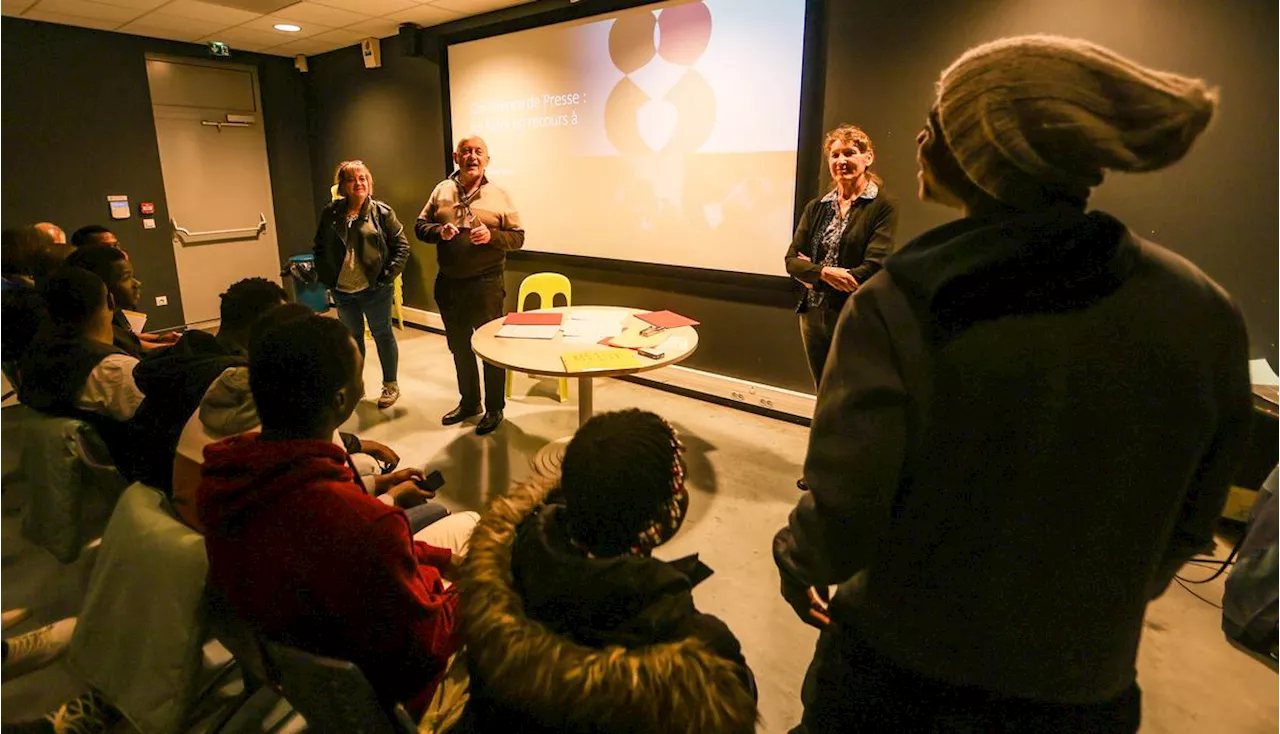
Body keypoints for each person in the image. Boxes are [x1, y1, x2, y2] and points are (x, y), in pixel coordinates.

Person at [773, 36, 1252, 734]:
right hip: (1086, 686)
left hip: (896, 679)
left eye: (936, 123)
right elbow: (1193, 517)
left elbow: (842, 523)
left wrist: (796, 559)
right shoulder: (1204, 309)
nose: (918, 137)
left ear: (984, 149)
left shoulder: (901, 301)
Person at [197, 314, 473, 717]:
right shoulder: (364, 523)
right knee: (494, 558)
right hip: (396, 694)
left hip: (306, 665)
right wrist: (481, 582)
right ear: (342, 399)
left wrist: (446, 561)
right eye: (361, 371)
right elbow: (428, 645)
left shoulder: (226, 479)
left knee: (464, 527)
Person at [455, 409, 756, 733]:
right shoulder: (703, 656)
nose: (682, 495)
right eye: (678, 486)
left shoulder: (502, 569)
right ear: (665, 520)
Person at [169, 303, 437, 532]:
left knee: (365, 466)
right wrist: (393, 497)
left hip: (220, 541)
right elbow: (349, 522)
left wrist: (382, 483)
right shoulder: (301, 462)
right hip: (343, 553)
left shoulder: (243, 440)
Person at [129, 277, 287, 492]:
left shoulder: (182, 356)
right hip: (197, 490)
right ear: (261, 326)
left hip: (154, 480)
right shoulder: (234, 380)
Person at [416, 136, 525, 436]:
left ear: (487, 160)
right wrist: (440, 231)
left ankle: (494, 408)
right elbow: (419, 227)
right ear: (456, 157)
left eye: (478, 152)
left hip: (486, 284)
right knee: (460, 348)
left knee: (490, 349)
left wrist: (492, 236)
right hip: (449, 285)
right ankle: (469, 403)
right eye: (466, 151)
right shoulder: (442, 190)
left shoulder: (500, 194)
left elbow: (518, 238)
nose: (472, 156)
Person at [785, 125, 899, 389]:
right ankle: (823, 432)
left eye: (849, 153)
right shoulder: (817, 208)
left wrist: (811, 275)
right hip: (812, 313)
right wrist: (824, 273)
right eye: (835, 155)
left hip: (852, 312)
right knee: (822, 387)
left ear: (867, 158)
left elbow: (874, 266)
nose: (841, 161)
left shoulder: (882, 207)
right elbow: (791, 260)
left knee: (850, 389)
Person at [17, 267, 144, 466]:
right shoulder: (115, 370)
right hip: (124, 471)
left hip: (72, 474)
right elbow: (153, 429)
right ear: (110, 301)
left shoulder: (34, 358)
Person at [312, 160, 411, 409]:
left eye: (363, 178)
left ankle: (390, 386)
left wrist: (386, 276)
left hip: (375, 289)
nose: (359, 183)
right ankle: (355, 386)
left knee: (382, 335)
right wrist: (326, 276)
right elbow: (320, 247)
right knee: (353, 340)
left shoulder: (382, 213)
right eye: (352, 179)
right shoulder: (331, 213)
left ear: (369, 183)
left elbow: (402, 246)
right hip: (343, 289)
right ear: (342, 186)